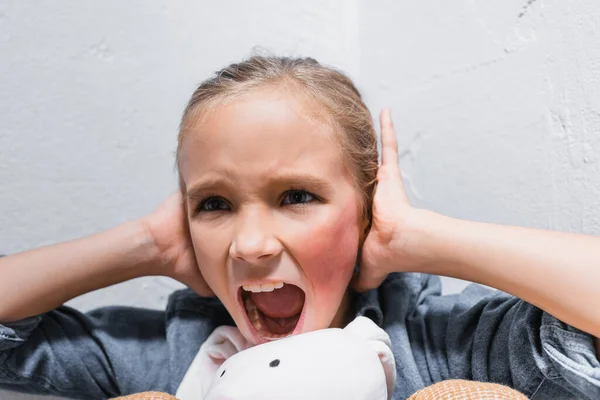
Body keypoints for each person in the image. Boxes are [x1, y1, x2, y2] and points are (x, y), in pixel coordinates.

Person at [0, 56, 598, 400]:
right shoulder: (172, 357)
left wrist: (418, 238)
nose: (250, 244)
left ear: (364, 210)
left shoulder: (441, 345)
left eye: (297, 196)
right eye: (214, 204)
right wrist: (145, 244)